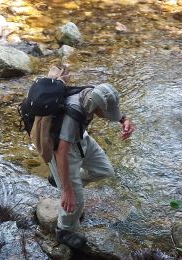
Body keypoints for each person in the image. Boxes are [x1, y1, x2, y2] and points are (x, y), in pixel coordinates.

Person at [46, 66, 135, 249]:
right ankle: (64, 231)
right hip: (65, 151)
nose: (107, 117)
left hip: (82, 139)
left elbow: (109, 106)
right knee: (74, 199)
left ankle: (58, 179)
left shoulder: (91, 93)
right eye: (106, 113)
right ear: (96, 107)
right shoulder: (73, 115)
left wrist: (123, 119)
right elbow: (61, 152)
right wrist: (68, 190)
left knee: (104, 170)